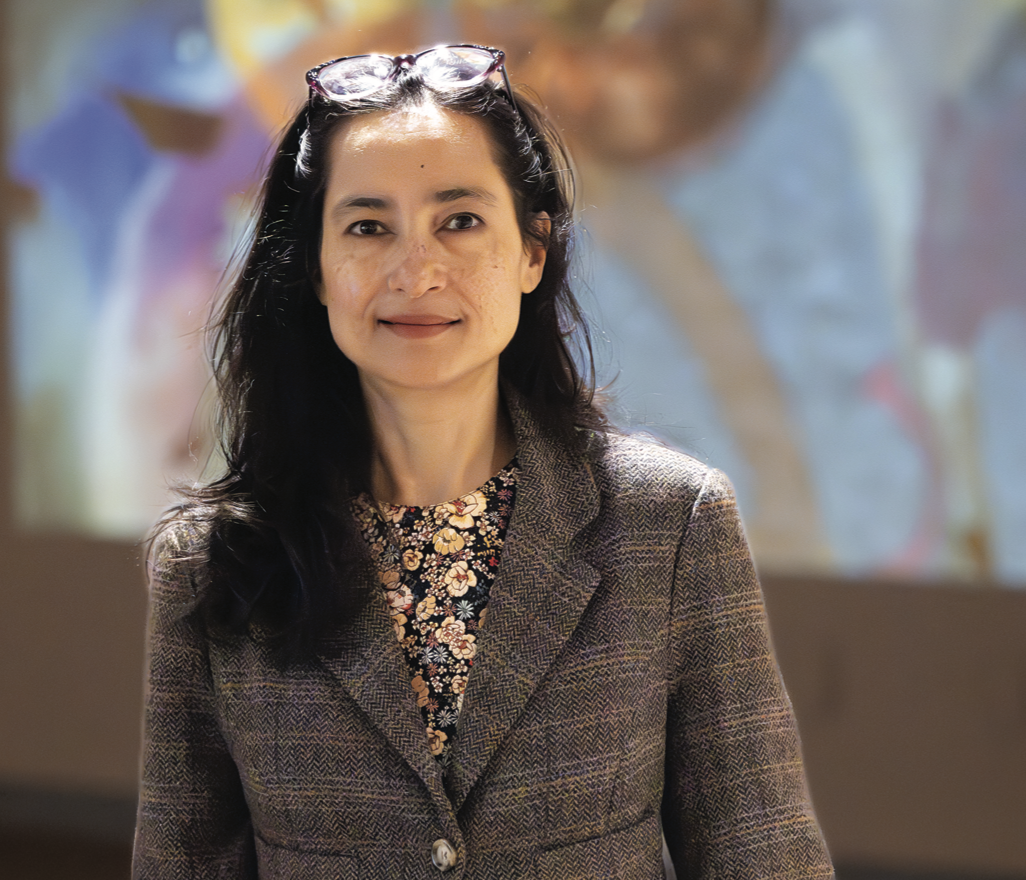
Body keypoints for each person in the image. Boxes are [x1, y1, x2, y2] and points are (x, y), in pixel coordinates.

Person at [132, 44, 832, 879]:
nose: (415, 269)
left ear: (533, 249)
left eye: (459, 220)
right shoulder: (214, 562)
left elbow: (766, 856)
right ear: (315, 269)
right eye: (366, 226)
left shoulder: (669, 527)